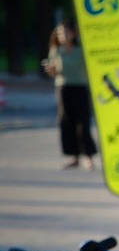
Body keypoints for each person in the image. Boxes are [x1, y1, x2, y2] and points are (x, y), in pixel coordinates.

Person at [42, 19, 98, 170]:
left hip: (80, 88)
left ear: (73, 33)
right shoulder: (56, 50)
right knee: (67, 122)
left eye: (65, 32)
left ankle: (88, 156)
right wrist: (50, 70)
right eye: (60, 32)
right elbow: (54, 72)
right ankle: (74, 156)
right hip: (63, 88)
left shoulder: (82, 50)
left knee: (83, 122)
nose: (62, 35)